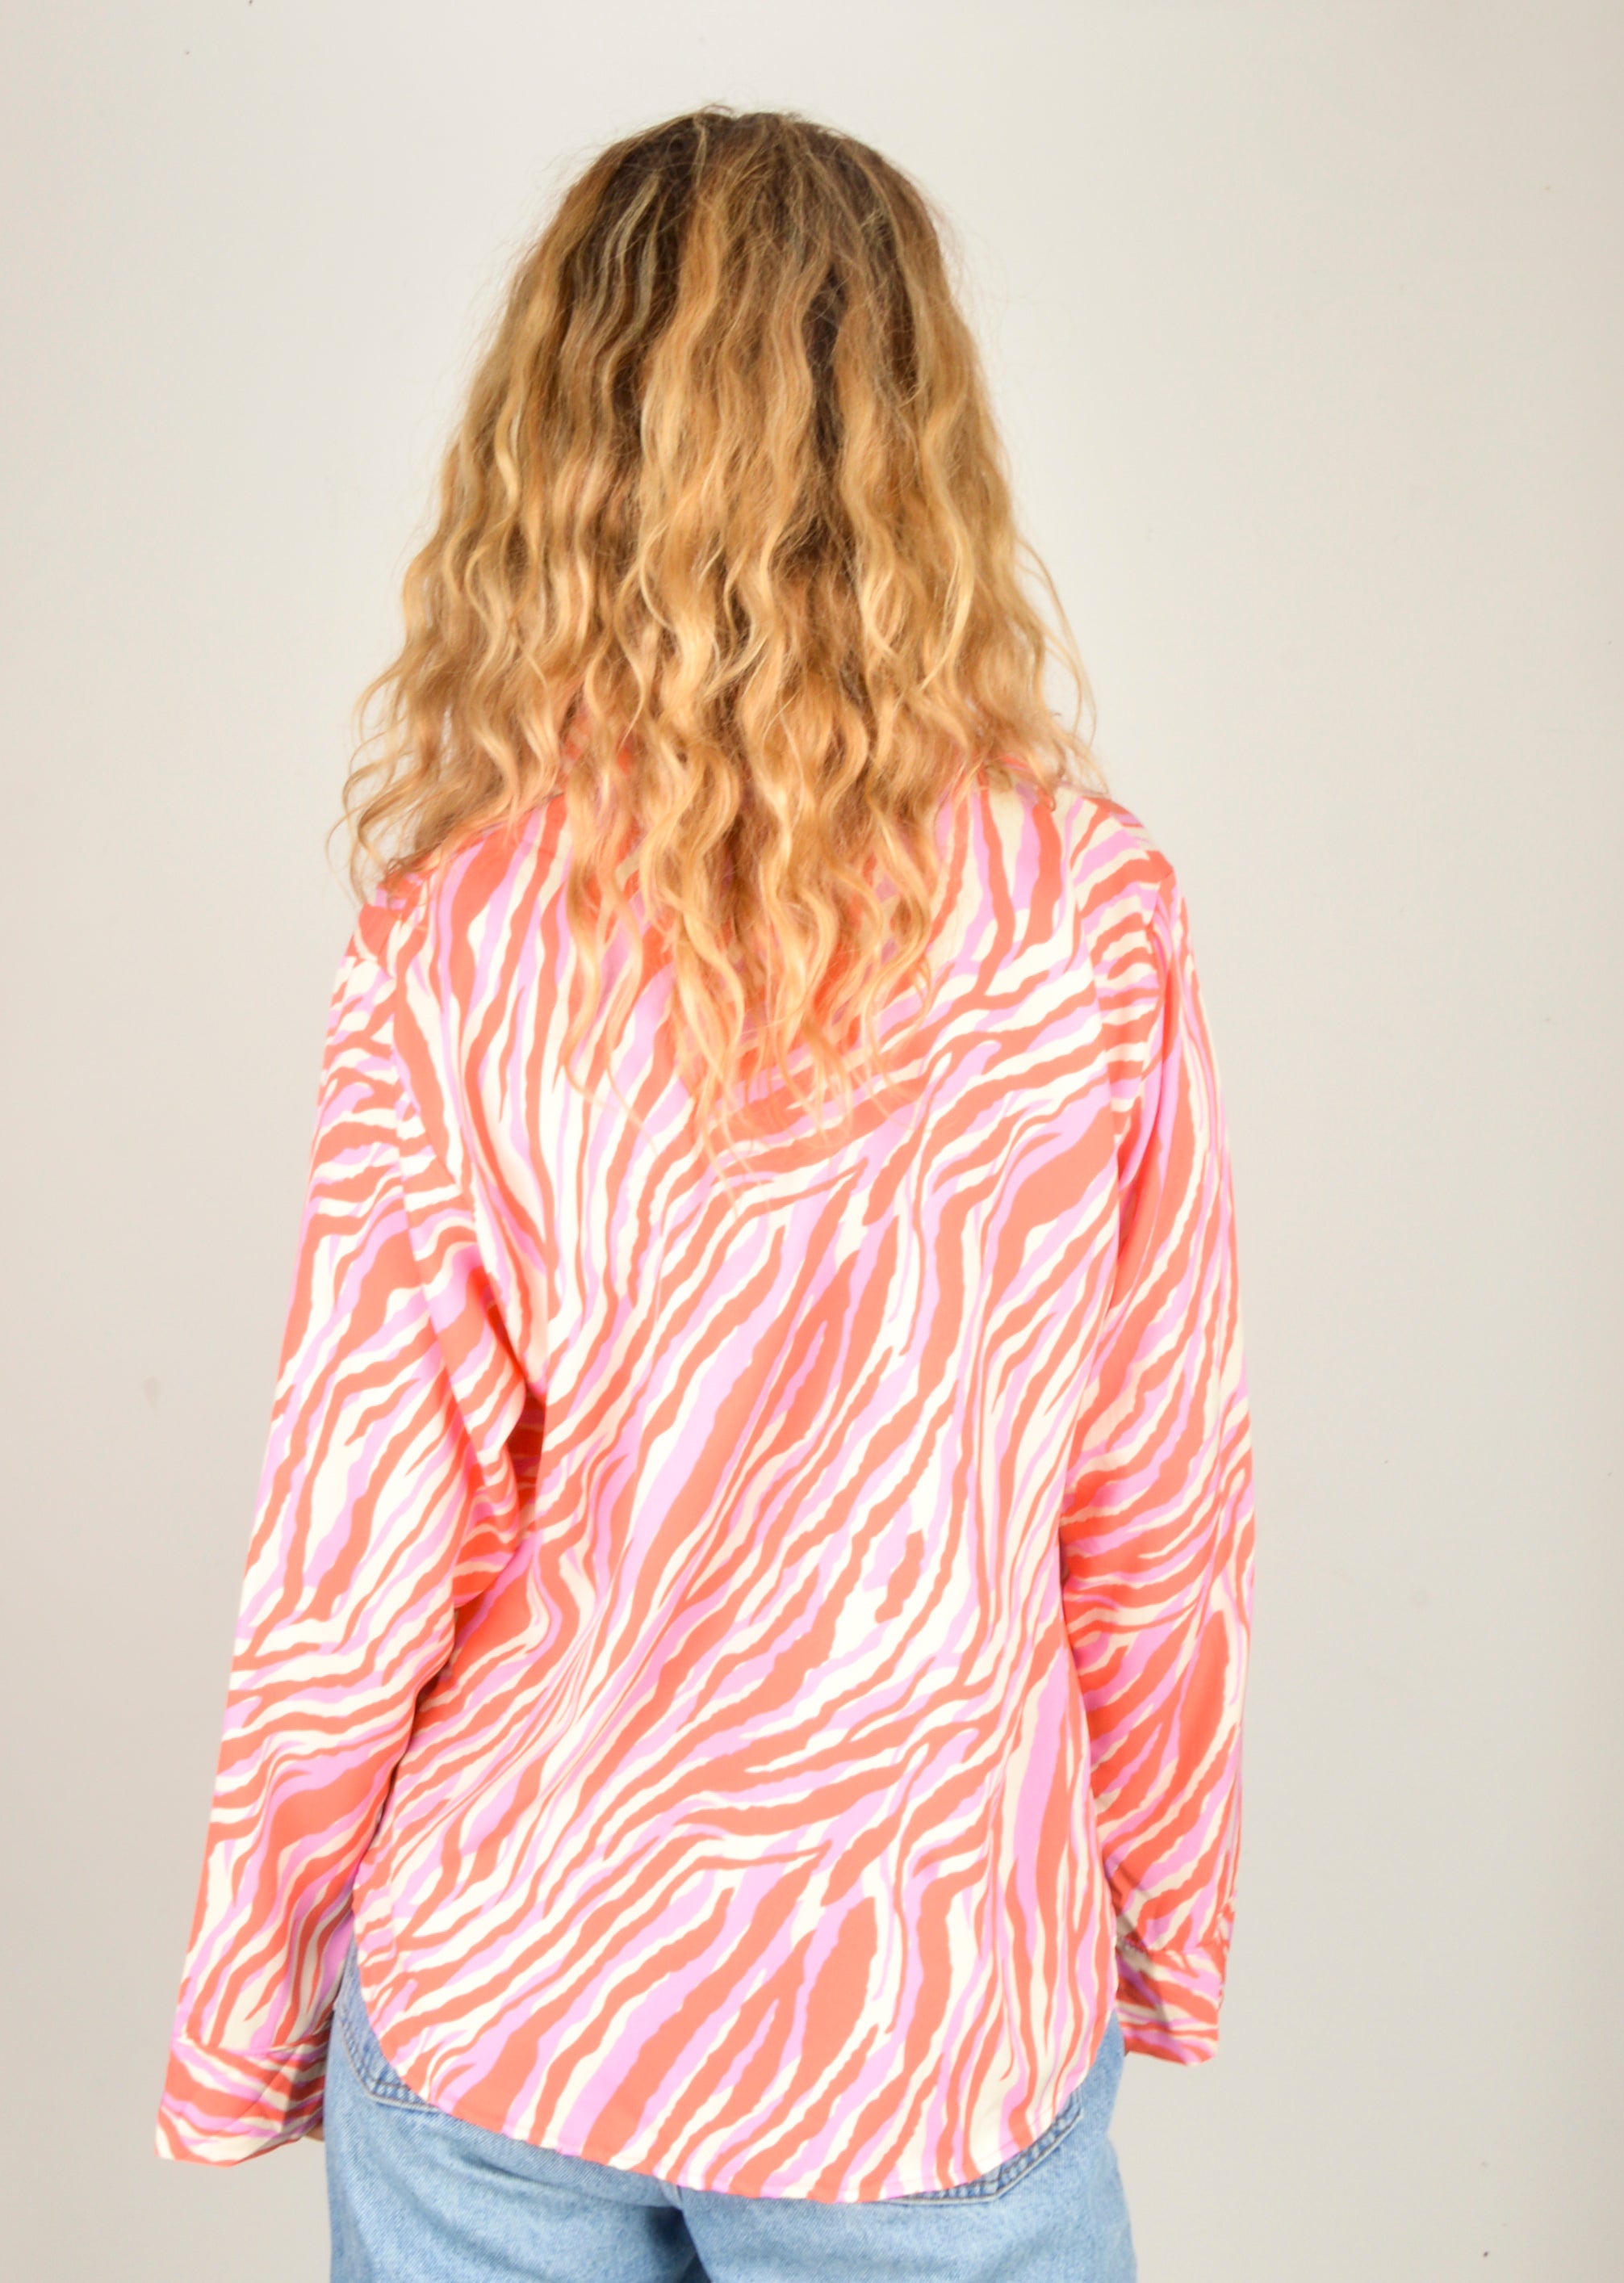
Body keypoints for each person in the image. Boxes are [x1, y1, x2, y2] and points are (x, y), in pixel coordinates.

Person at [156, 105, 1255, 2283]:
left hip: (507, 2008)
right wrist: (1159, 1917)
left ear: (565, 445)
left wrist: (242, 2019)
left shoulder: (455, 943)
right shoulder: (1091, 924)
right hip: (921, 2011)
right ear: (920, 441)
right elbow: (1159, 1504)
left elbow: (350, 1550)